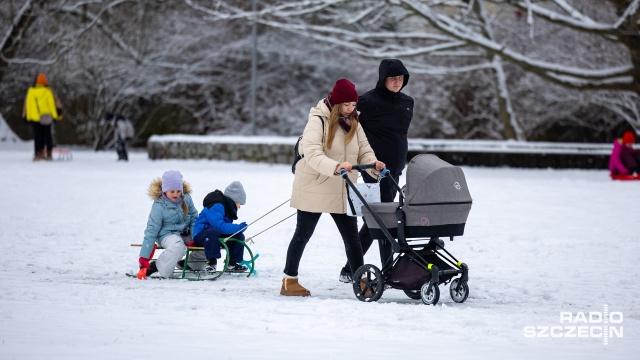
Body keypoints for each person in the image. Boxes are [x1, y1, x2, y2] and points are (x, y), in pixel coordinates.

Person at [282, 78, 386, 297]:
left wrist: (373, 166)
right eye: (347, 105)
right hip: (315, 184)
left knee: (352, 237)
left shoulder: (354, 122)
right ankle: (289, 282)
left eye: (354, 105)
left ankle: (361, 282)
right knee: (303, 234)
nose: (351, 109)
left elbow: (364, 150)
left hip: (343, 186)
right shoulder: (318, 121)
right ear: (337, 103)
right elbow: (312, 153)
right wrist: (336, 166)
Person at [338, 59, 414, 283]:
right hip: (374, 168)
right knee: (383, 218)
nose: (397, 82)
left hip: (395, 168)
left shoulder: (408, 102)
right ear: (383, 79)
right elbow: (347, 127)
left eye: (401, 78)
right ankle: (387, 270)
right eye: (393, 78)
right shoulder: (367, 102)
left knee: (377, 219)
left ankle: (350, 268)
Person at [137, 170, 199, 279]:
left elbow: (194, 217)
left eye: (178, 191)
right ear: (165, 191)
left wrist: (195, 236)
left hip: (185, 232)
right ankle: (157, 266)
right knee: (177, 246)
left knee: (203, 240)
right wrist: (144, 257)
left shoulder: (186, 199)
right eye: (172, 191)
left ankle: (191, 264)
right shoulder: (159, 205)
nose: (176, 194)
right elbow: (152, 229)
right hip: (166, 234)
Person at [191, 181, 249, 273]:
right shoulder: (217, 206)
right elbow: (219, 227)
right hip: (202, 235)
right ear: (234, 200)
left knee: (238, 236)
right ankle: (211, 263)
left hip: (216, 236)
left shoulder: (228, 209)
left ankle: (231, 264)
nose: (239, 207)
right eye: (239, 203)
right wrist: (238, 227)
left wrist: (238, 231)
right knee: (213, 232)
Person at [22, 73, 61, 161]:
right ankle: (49, 154)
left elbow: (28, 105)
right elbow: (51, 105)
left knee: (37, 136)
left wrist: (27, 117)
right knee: (47, 135)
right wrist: (55, 117)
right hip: (46, 117)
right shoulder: (47, 91)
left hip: (34, 118)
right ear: (45, 82)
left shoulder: (31, 91)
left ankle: (38, 153)